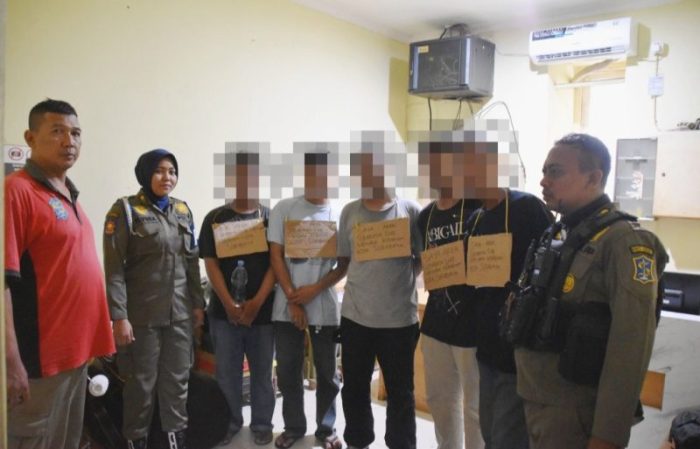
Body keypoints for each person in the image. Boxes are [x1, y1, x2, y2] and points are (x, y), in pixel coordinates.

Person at [513, 133, 668, 449]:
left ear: (594, 178)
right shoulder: (559, 233)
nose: (543, 181)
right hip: (538, 398)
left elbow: (630, 346)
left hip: (576, 412)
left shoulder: (624, 241)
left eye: (555, 172)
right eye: (544, 171)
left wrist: (608, 435)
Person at [4, 99, 115, 449]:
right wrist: (11, 362)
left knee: (67, 440)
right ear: (30, 138)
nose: (70, 141)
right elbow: (4, 283)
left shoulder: (69, 193)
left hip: (75, 355)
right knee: (34, 439)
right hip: (39, 362)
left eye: (76, 133)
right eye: (57, 131)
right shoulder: (16, 191)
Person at [103, 148, 205, 449]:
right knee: (141, 384)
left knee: (177, 382)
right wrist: (119, 316)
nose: (167, 177)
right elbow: (114, 269)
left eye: (172, 171)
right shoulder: (125, 210)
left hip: (180, 316)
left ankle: (175, 441)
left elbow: (191, 262)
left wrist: (198, 305)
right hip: (141, 317)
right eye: (159, 170)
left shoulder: (183, 210)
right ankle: (136, 441)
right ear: (146, 173)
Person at [457, 140, 552, 449]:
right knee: (488, 429)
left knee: (507, 436)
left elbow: (550, 267)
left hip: (518, 347)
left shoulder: (527, 208)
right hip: (486, 345)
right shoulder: (475, 220)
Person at [338, 147, 423, 449]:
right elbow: (344, 260)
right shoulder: (349, 212)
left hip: (399, 321)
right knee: (354, 388)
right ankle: (357, 440)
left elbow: (421, 258)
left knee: (401, 392)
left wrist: (400, 281)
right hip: (355, 318)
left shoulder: (410, 211)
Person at [268, 151, 348, 449]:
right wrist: (293, 298)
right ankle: (293, 427)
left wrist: (315, 289)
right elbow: (276, 256)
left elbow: (343, 264)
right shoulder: (285, 209)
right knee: (288, 371)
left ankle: (326, 429)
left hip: (324, 309)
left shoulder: (340, 215)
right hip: (286, 307)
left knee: (327, 374)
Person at [198, 151, 277, 446]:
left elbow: (276, 264)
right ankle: (229, 422)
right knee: (226, 374)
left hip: (263, 313)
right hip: (224, 314)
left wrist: (256, 303)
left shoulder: (271, 218)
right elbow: (211, 264)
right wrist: (229, 304)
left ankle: (262, 424)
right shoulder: (215, 219)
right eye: (239, 175)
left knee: (262, 374)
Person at [416, 141, 484, 449]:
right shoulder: (426, 216)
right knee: (440, 400)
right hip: (436, 322)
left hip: (473, 324)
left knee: (475, 408)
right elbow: (421, 263)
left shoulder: (477, 206)